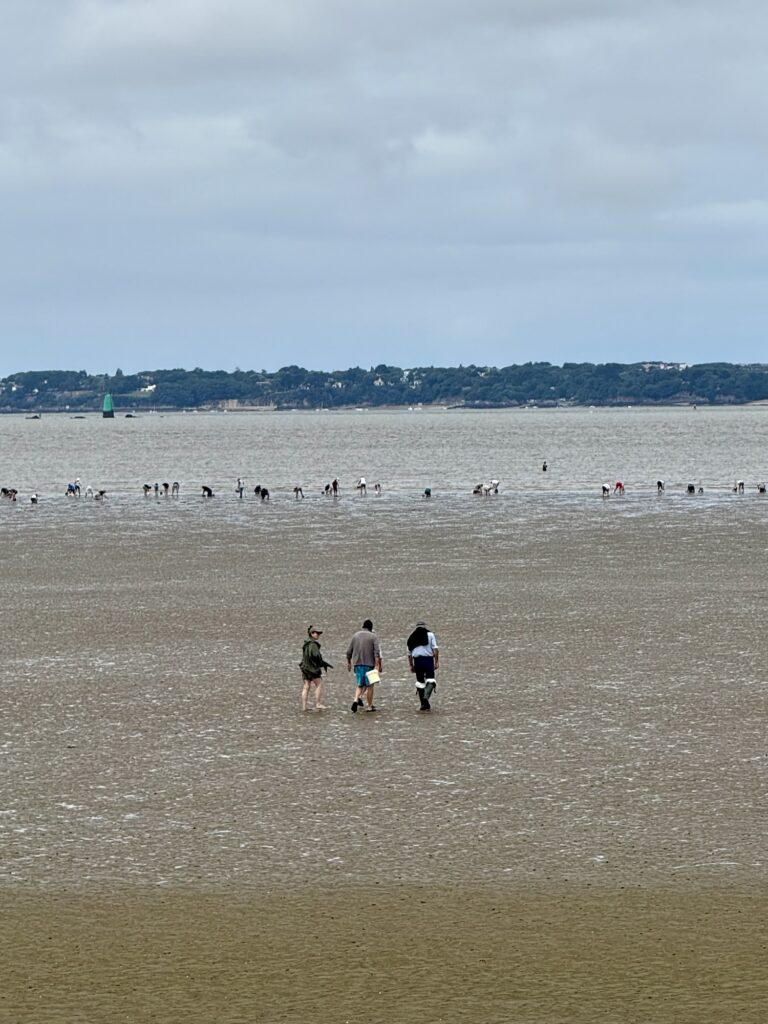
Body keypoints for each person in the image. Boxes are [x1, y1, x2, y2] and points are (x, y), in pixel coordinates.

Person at [346, 618, 382, 713]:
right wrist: (377, 665)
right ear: (371, 628)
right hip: (369, 664)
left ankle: (355, 700)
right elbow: (377, 652)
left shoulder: (355, 636)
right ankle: (369, 706)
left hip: (357, 664)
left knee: (360, 685)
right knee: (370, 686)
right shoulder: (373, 637)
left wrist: (349, 662)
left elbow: (349, 651)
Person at [407, 620, 439, 711]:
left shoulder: (412, 637)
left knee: (420, 683)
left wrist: (411, 665)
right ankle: (426, 697)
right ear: (425, 627)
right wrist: (436, 662)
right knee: (431, 680)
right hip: (428, 660)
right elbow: (435, 649)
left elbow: (409, 653)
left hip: (417, 661)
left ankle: (423, 705)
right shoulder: (430, 635)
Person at [299, 626, 332, 711]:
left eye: (319, 633)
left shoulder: (306, 643)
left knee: (306, 686)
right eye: (317, 633)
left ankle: (304, 707)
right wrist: (322, 663)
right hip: (312, 668)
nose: (318, 635)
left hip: (304, 667)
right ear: (311, 633)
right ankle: (318, 704)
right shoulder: (313, 644)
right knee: (319, 684)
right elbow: (315, 655)